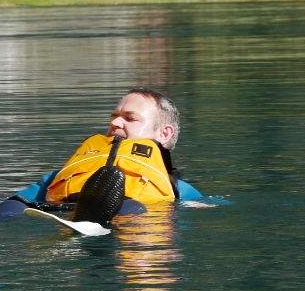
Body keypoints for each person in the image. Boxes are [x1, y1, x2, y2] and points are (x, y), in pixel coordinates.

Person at [12, 87, 203, 206]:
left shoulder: (174, 188)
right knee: (11, 206)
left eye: (130, 118)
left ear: (163, 134)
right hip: (62, 210)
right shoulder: (59, 176)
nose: (116, 123)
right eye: (114, 117)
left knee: (131, 208)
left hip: (132, 219)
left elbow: (208, 207)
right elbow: (19, 201)